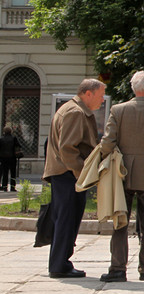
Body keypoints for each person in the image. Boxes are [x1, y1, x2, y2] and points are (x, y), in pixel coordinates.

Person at [97, 71, 144, 282]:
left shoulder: (118, 110)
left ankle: (118, 268)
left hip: (123, 171)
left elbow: (108, 142)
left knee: (120, 220)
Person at [43, 79, 106, 278]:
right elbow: (67, 149)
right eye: (100, 94)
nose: (102, 99)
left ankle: (61, 262)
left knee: (66, 219)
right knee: (66, 220)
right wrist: (82, 175)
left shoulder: (74, 110)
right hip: (68, 175)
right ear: (88, 93)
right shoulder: (75, 112)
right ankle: (59, 265)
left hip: (66, 174)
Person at [0, 125, 22, 192]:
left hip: (3, 158)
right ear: (11, 131)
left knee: (5, 173)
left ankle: (4, 187)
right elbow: (19, 145)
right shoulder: (14, 138)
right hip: (12, 158)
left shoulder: (1, 139)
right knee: (13, 173)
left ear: (4, 131)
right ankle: (12, 187)